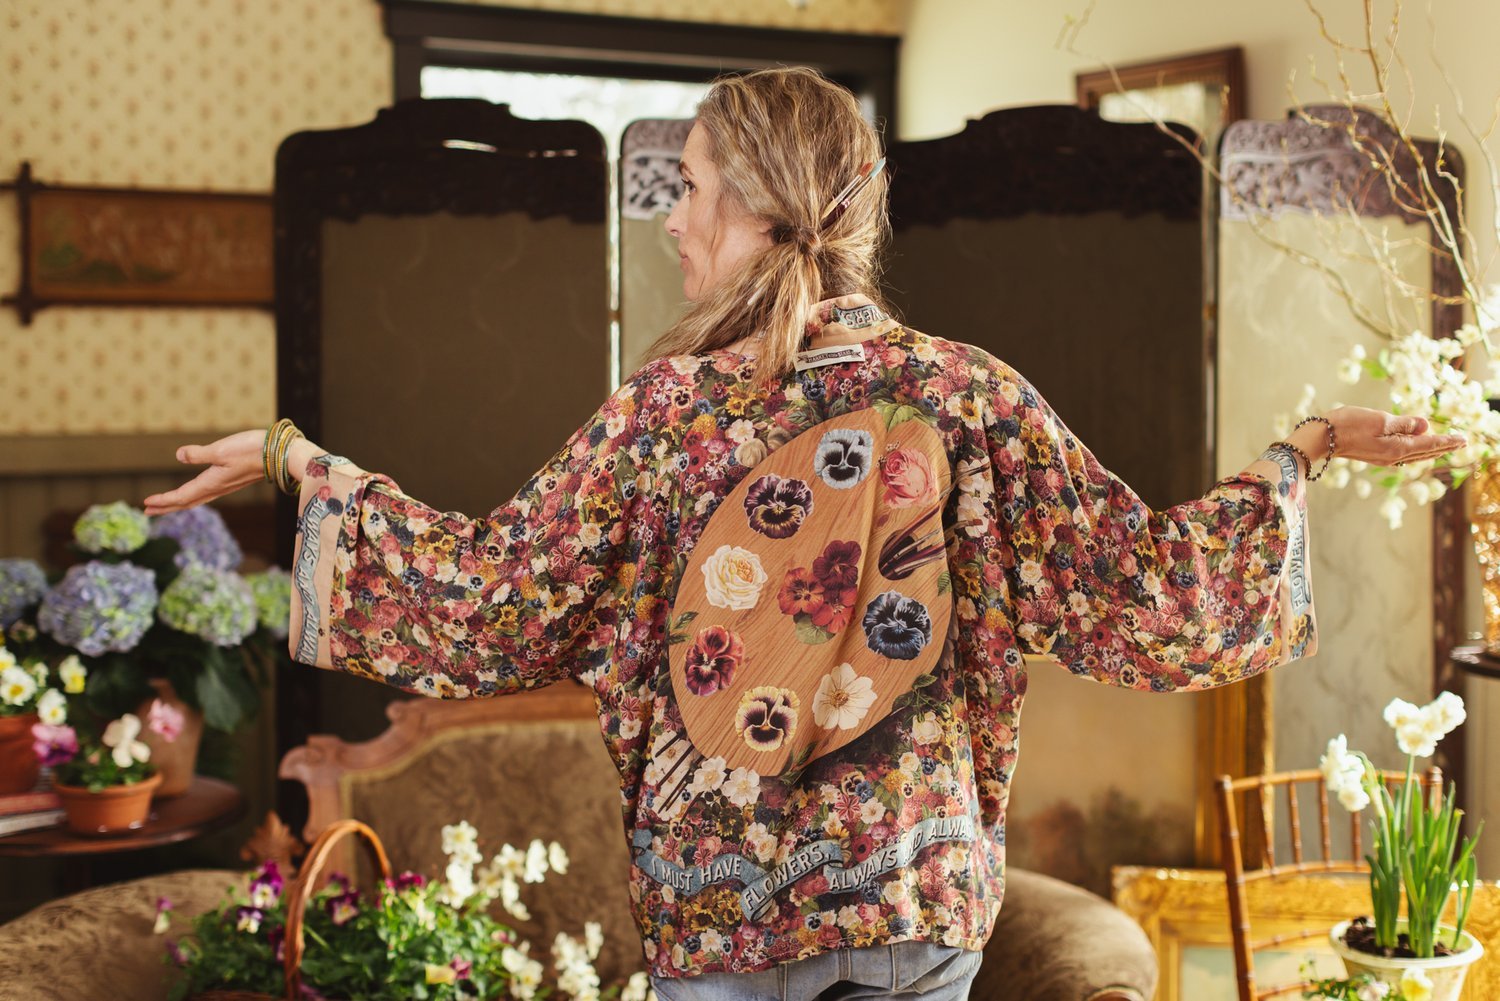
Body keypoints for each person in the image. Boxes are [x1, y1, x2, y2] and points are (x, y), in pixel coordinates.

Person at [144, 67, 1465, 1001]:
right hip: (912, 901)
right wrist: (1301, 451)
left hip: (718, 914)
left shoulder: (661, 416)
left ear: (768, 206)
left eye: (692, 188)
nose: (672, 217)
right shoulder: (964, 393)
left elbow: (488, 596)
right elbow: (1144, 588)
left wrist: (299, 464)